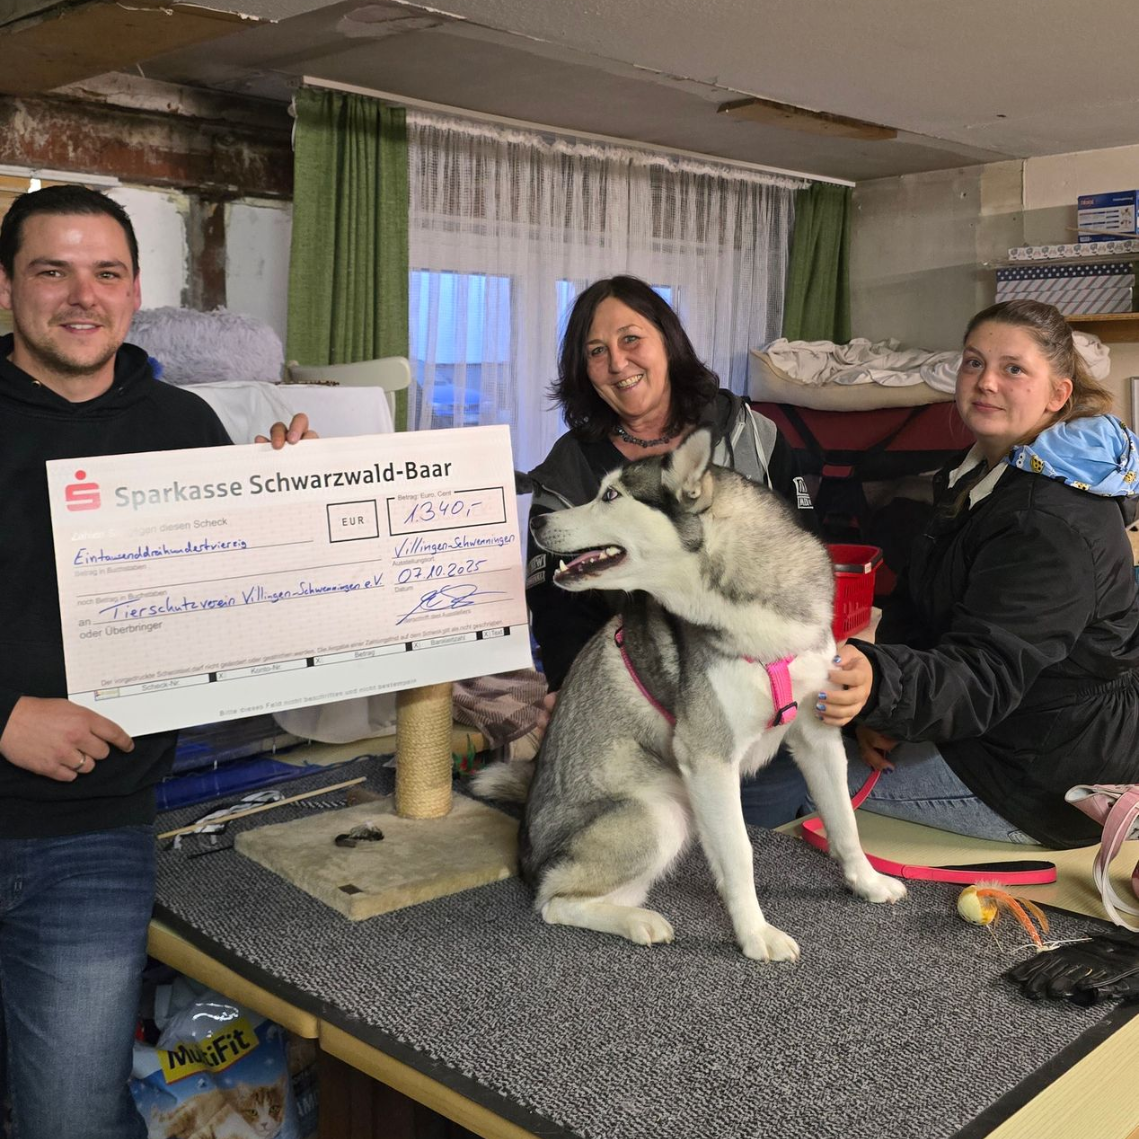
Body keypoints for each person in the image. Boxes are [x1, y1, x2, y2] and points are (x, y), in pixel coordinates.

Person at [0, 185, 315, 1139]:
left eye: (106, 273)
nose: (82, 295)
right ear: (7, 288)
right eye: (52, 271)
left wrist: (285, 512)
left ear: (135, 292)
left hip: (91, 837)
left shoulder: (184, 429)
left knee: (71, 1118)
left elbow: (232, 619)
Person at [819, 298, 1139, 849]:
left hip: (1042, 774)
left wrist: (880, 685)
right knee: (811, 736)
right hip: (998, 727)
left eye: (1013, 368)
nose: (986, 382)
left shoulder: (1049, 519)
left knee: (795, 777)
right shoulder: (976, 473)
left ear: (1058, 394)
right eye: (974, 362)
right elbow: (918, 609)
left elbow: (987, 671)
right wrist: (883, 711)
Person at [525, 275, 816, 826]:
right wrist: (570, 689)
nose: (617, 363)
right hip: (639, 712)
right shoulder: (568, 469)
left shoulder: (754, 436)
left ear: (667, 340)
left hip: (760, 712)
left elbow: (806, 561)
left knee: (765, 829)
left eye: (631, 339)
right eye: (596, 351)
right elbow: (556, 606)